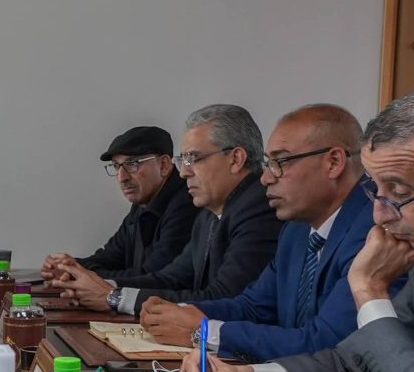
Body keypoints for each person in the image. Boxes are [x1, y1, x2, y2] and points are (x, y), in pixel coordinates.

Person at [172, 85, 414, 372]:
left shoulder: (399, 246)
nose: (379, 214)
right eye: (376, 190)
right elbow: (357, 361)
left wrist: (369, 290)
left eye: (399, 191)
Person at [141, 104, 403, 362]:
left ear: (333, 162)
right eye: (268, 163)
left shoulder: (376, 230)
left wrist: (205, 332)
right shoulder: (296, 229)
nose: (265, 178)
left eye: (280, 162)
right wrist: (180, 312)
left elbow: (326, 344)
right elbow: (253, 307)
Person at [48, 104, 282, 315]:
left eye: (194, 158)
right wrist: (100, 286)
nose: (184, 172)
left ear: (236, 159)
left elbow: (224, 299)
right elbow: (171, 278)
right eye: (184, 160)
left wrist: (113, 297)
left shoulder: (259, 209)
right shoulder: (209, 214)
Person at [42, 126, 199, 281]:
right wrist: (69, 266)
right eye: (117, 166)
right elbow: (110, 257)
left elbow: (151, 278)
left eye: (132, 163)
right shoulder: (142, 204)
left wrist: (81, 275)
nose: (122, 177)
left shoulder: (186, 205)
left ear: (163, 165)